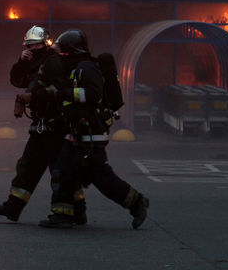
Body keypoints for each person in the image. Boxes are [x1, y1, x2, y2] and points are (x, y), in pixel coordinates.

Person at [39, 29, 149, 229]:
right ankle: (64, 215)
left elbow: (93, 94)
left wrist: (65, 93)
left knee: (101, 177)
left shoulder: (86, 68)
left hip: (90, 133)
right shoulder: (75, 69)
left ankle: (137, 202)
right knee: (63, 171)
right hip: (77, 133)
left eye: (62, 51)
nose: (60, 55)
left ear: (72, 50)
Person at [0, 26, 86, 223]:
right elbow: (17, 81)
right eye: (28, 46)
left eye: (34, 46)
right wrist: (20, 62)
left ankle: (75, 212)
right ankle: (13, 207)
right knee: (27, 166)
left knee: (60, 171)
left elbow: (58, 88)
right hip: (40, 123)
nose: (30, 49)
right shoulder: (35, 62)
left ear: (44, 44)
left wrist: (32, 96)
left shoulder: (54, 62)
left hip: (56, 124)